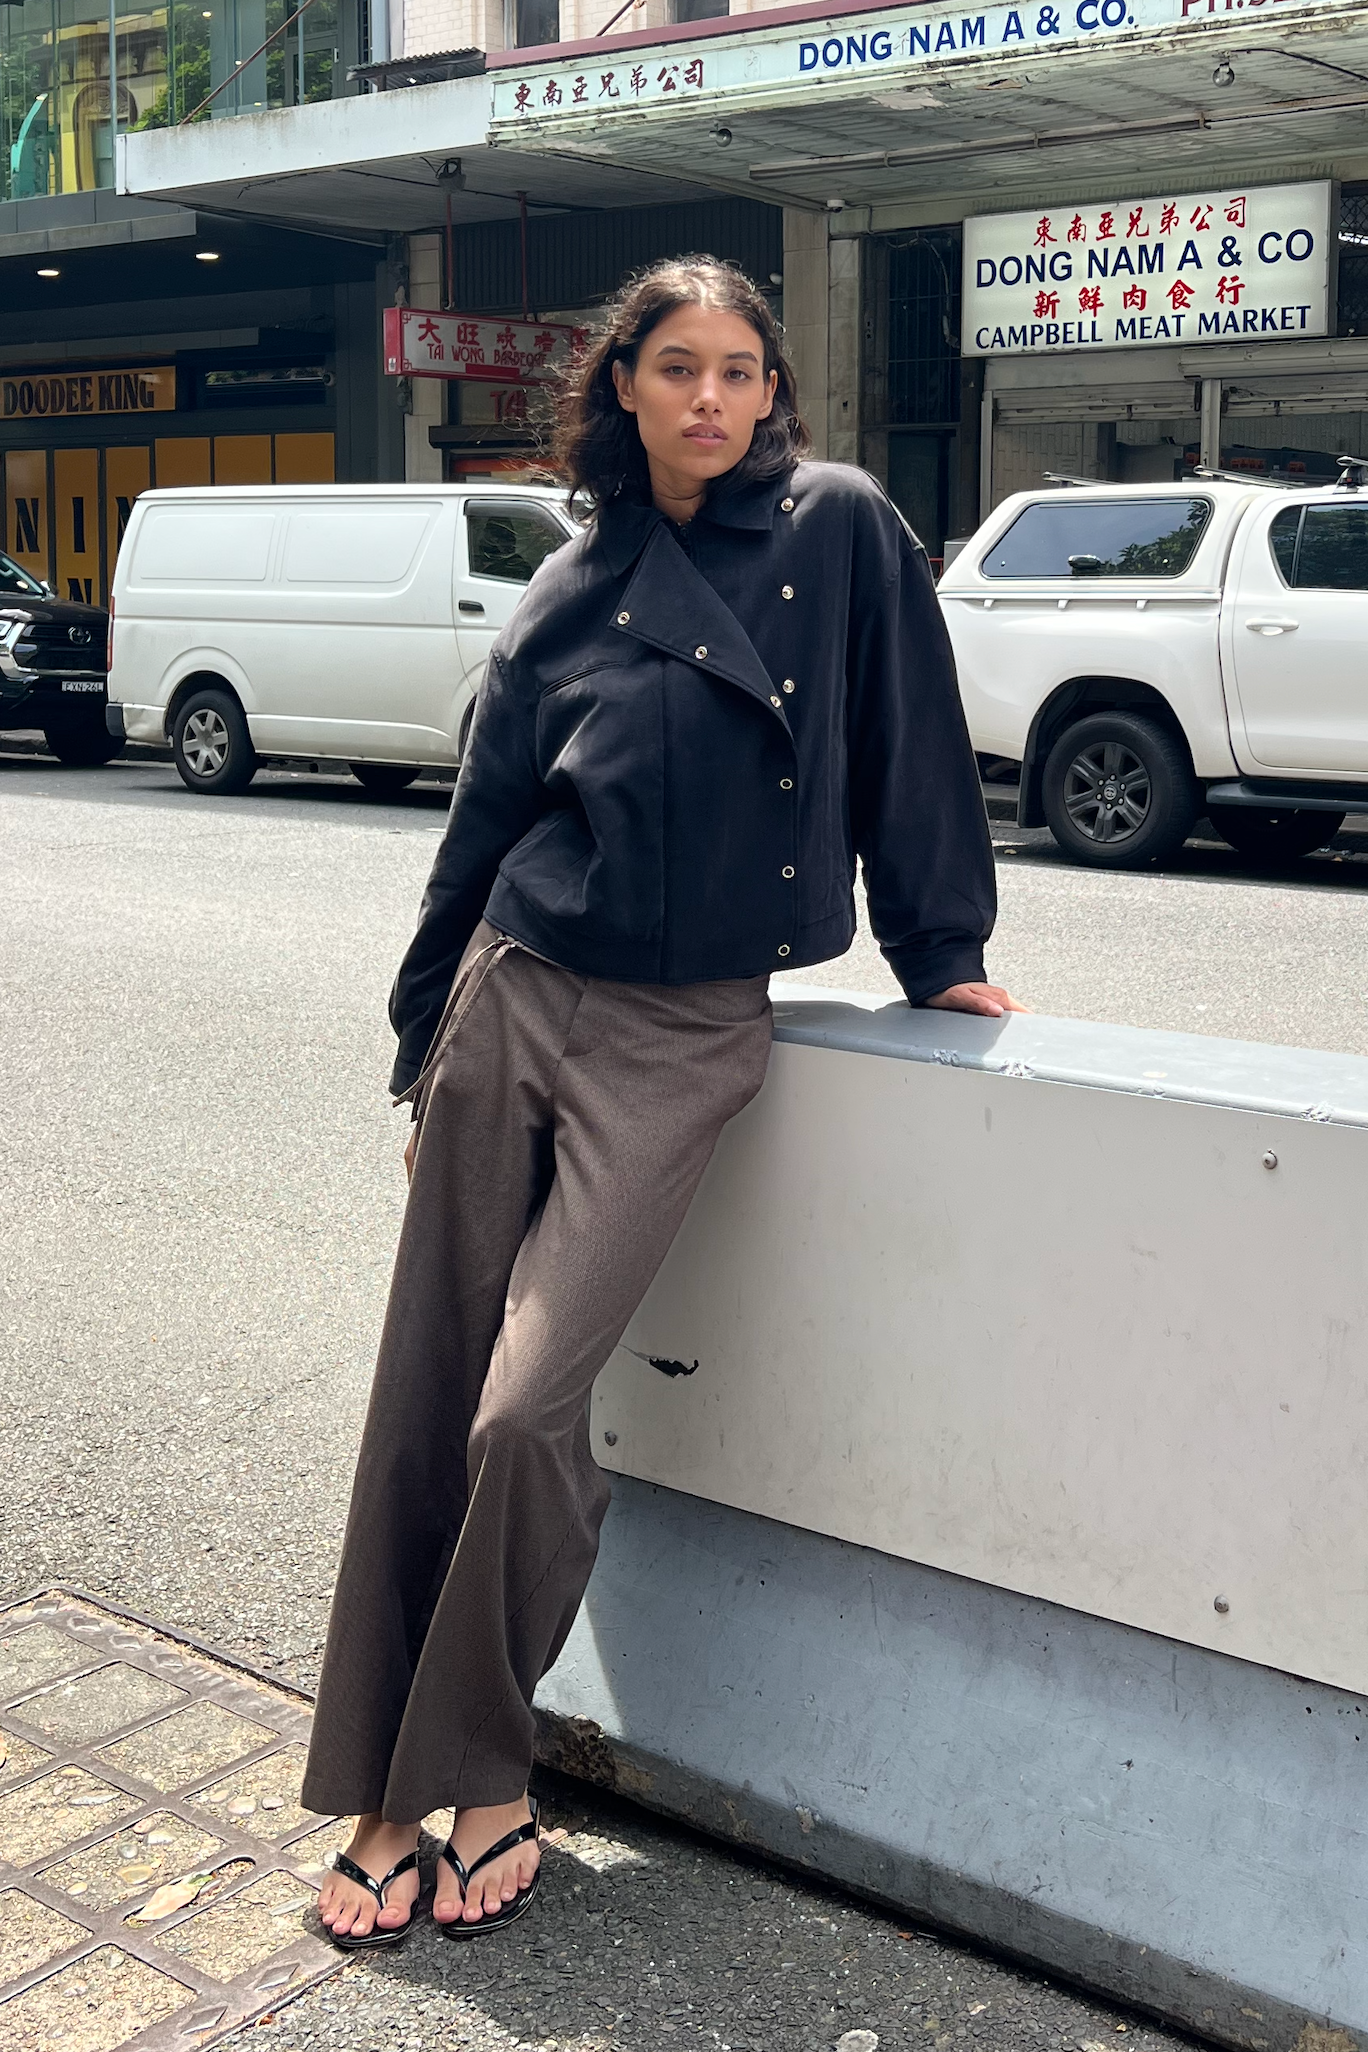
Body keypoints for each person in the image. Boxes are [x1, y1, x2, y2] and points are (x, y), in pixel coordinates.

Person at [303, 255, 1021, 1949]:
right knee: (423, 1399)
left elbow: (912, 739)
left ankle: (482, 1762)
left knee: (521, 1409)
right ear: (622, 386)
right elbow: (479, 841)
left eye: (741, 370)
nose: (711, 397)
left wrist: (944, 951)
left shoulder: (840, 530)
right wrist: (426, 1043)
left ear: (775, 392)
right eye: (676, 367)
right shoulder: (568, 586)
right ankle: (394, 1796)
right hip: (514, 1000)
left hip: (686, 1033)